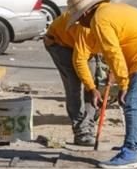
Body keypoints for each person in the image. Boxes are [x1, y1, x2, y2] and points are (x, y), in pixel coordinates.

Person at [66, 0, 137, 169]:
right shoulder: (109, 10)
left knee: (132, 103)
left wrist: (124, 84)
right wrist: (119, 77)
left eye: (80, 20)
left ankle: (130, 152)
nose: (81, 25)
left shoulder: (99, 21)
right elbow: (118, 47)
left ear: (86, 13)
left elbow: (113, 53)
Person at [43, 13, 100, 146]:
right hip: (59, 44)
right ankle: (81, 131)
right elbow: (79, 61)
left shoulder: (107, 25)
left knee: (93, 83)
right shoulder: (85, 26)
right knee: (75, 85)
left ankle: (88, 124)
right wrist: (91, 88)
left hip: (82, 46)